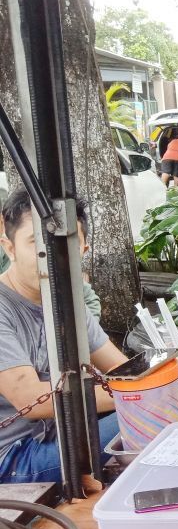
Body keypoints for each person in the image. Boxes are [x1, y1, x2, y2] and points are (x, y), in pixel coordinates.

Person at [0, 189, 128, 483]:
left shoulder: (66, 299)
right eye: (36, 243)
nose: (52, 254)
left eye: (67, 242)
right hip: (13, 458)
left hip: (60, 435)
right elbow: (32, 400)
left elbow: (120, 367)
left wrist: (172, 376)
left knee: (159, 411)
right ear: (9, 248)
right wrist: (138, 396)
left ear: (83, 249)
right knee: (149, 418)